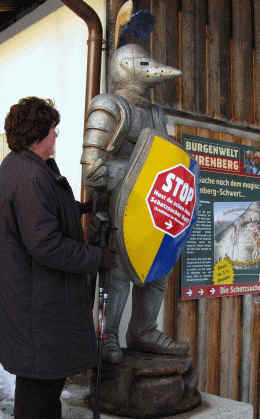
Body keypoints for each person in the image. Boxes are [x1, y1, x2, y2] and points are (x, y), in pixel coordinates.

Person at [0, 96, 116, 419]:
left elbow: (44, 215)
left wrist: (82, 208)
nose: (56, 136)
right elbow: (45, 244)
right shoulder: (29, 178)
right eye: (53, 130)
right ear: (38, 135)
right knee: (39, 393)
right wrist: (97, 257)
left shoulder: (30, 168)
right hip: (38, 310)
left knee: (43, 390)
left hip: (37, 305)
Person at [82, 43, 191, 364]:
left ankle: (143, 330)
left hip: (151, 213)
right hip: (116, 211)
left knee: (158, 268)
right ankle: (108, 336)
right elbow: (93, 170)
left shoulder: (156, 114)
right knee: (117, 276)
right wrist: (131, 176)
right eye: (143, 63)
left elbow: (164, 164)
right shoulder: (108, 106)